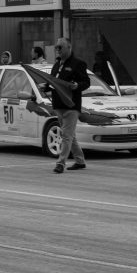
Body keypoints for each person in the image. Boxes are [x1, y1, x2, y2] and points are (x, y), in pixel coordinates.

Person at [48, 37, 91, 174]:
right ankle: (80, 161)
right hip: (58, 104)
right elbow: (53, 83)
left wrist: (77, 86)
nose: (58, 50)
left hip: (71, 106)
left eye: (60, 47)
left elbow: (86, 82)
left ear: (69, 48)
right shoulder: (56, 65)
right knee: (70, 135)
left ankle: (60, 163)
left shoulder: (78, 64)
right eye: (56, 47)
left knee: (66, 136)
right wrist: (45, 87)